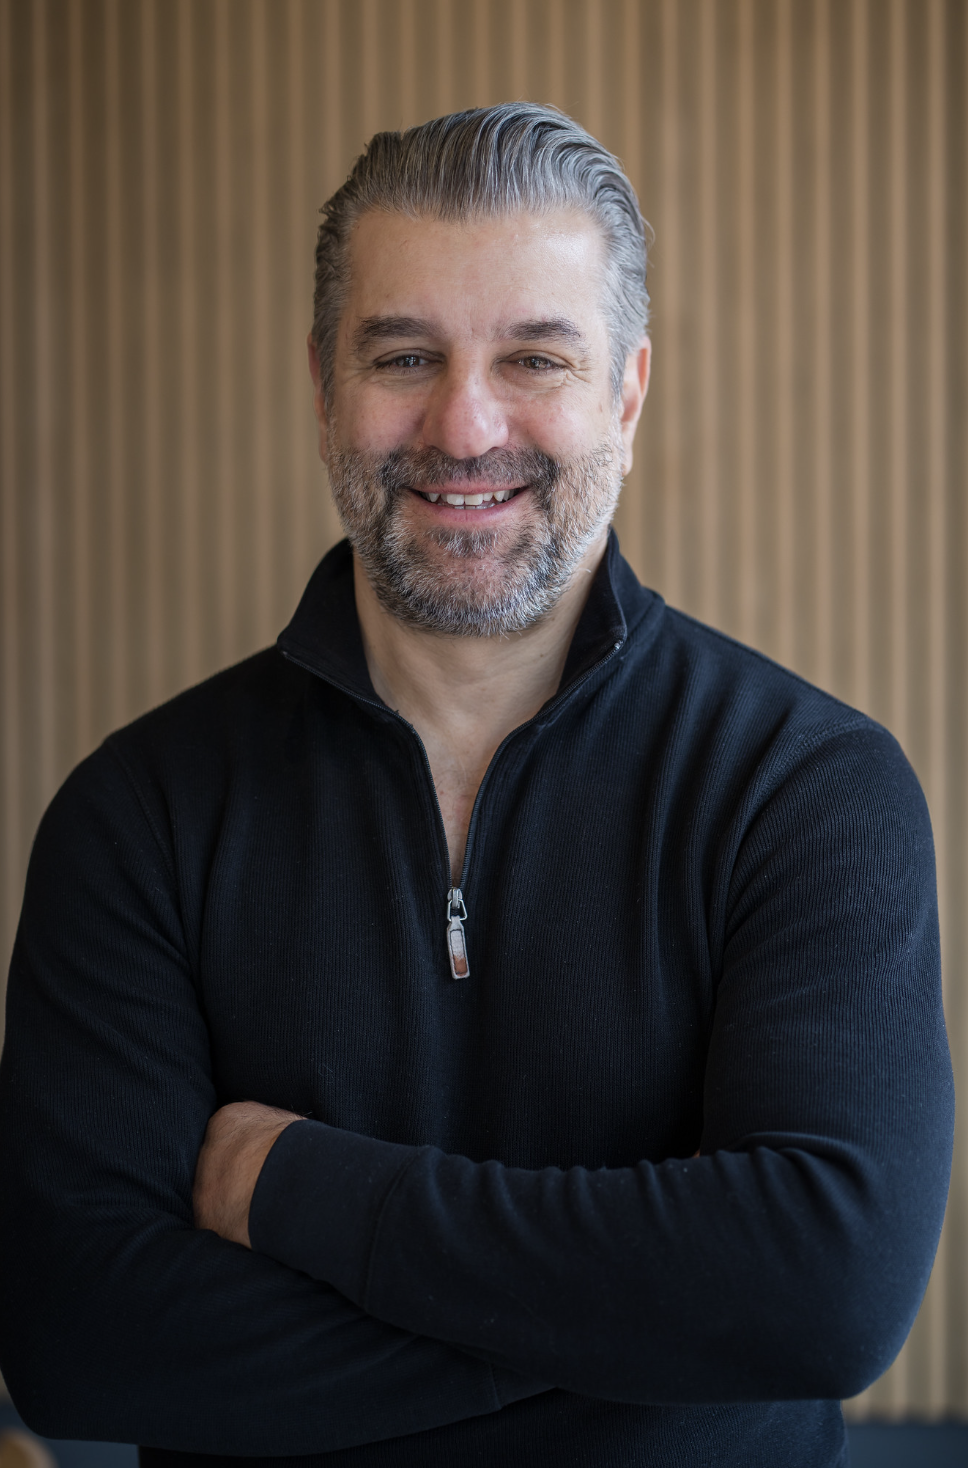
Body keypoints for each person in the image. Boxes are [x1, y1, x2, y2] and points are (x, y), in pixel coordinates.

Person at [0, 104, 954, 1468]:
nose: (464, 424)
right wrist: (661, 1327)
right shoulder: (138, 817)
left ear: (626, 391)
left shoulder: (806, 791)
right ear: (323, 384)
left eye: (534, 357)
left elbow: (825, 1293)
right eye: (405, 356)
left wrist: (299, 1189)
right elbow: (79, 1342)